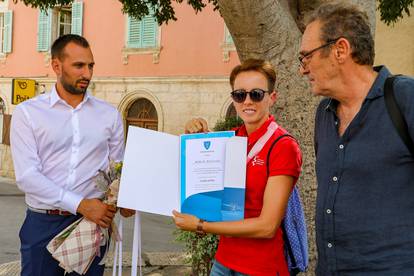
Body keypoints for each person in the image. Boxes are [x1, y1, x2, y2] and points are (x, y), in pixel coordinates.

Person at [299, 2, 414, 275]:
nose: (302, 68)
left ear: (340, 50)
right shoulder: (324, 114)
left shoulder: (405, 98)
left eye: (306, 56)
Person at [10, 34, 134, 276]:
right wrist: (81, 204)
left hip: (92, 226)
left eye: (90, 65)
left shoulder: (109, 115)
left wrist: (129, 197)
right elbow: (27, 176)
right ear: (57, 65)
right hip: (43, 224)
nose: (87, 73)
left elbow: (117, 168)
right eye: (79, 65)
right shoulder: (28, 114)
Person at [173, 59, 302, 275]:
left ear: (272, 97)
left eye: (256, 94)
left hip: (261, 267)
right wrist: (193, 138)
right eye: (240, 95)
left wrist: (201, 225)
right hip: (224, 261)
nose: (247, 101)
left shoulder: (283, 146)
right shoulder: (232, 139)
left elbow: (267, 226)